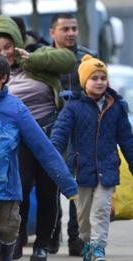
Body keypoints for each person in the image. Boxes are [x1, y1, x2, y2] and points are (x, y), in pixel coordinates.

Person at [0, 52, 78, 261]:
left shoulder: (16, 108)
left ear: (4, 78)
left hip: (6, 186)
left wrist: (69, 186)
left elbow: (43, 148)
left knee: (9, 228)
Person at [0, 15, 76, 261]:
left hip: (48, 133)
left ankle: (42, 245)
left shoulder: (35, 57)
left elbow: (68, 59)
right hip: (16, 138)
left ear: (17, 42)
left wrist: (32, 59)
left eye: (7, 47)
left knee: (48, 190)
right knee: (19, 189)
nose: (4, 53)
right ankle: (17, 238)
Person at [50, 55, 133, 261]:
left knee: (101, 210)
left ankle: (98, 247)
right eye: (94, 78)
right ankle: (87, 242)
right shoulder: (73, 106)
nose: (99, 82)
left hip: (107, 168)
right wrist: (52, 155)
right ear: (83, 82)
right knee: (83, 216)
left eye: (102, 78)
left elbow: (127, 140)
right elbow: (59, 133)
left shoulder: (116, 107)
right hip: (81, 169)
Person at [49, 13, 97, 255]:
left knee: (80, 185)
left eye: (74, 28)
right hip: (50, 128)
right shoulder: (42, 59)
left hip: (81, 131)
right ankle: (52, 232)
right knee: (51, 183)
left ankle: (76, 239)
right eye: (65, 29)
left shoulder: (87, 57)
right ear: (52, 33)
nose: (70, 33)